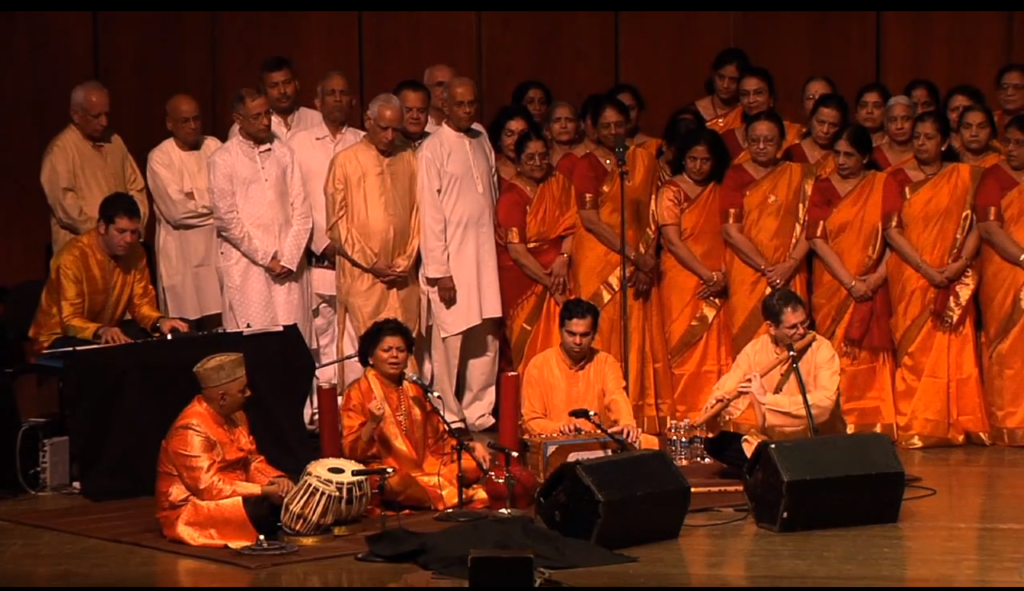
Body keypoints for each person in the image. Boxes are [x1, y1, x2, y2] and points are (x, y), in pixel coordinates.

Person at [416, 77, 503, 433]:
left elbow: (492, 193)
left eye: (472, 104)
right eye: (460, 104)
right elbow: (430, 213)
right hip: (452, 263)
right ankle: (448, 413)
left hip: (485, 259)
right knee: (450, 341)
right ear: (445, 107)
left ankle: (478, 409)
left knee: (486, 338)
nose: (468, 110)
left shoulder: (481, 139)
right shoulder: (432, 148)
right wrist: (440, 271)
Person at [340, 318, 491, 511]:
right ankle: (448, 496)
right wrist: (372, 423)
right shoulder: (357, 392)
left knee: (473, 462)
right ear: (370, 357)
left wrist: (468, 447)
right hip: (385, 468)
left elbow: (438, 439)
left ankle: (427, 495)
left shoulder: (414, 388)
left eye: (401, 350)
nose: (394, 356)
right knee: (393, 483)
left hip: (427, 464)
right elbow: (351, 451)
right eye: (387, 350)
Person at [325, 93, 420, 388]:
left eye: (396, 129)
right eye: (383, 128)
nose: (390, 136)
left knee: (404, 347)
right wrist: (371, 261)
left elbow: (419, 213)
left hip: (402, 276)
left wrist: (406, 259)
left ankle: (410, 416)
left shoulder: (409, 157)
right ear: (368, 121)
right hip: (363, 275)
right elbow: (336, 223)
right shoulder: (345, 161)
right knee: (366, 348)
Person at [156, 352, 296, 548]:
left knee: (293, 490)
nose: (249, 394)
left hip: (237, 492)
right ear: (222, 398)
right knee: (262, 508)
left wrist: (276, 481)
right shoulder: (191, 428)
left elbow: (251, 461)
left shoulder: (237, 416)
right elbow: (208, 488)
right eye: (243, 390)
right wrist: (264, 491)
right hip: (192, 507)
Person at [208, 88, 313, 344]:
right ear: (238, 118)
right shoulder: (222, 159)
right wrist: (267, 258)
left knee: (293, 342)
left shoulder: (283, 152)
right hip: (248, 268)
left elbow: (302, 209)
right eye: (256, 116)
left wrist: (288, 259)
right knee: (256, 344)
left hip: (289, 268)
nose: (265, 121)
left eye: (267, 113)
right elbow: (226, 220)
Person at [28, 192, 189, 355]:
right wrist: (102, 331)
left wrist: (159, 321)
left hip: (105, 333)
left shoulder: (135, 252)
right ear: (102, 227)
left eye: (134, 232)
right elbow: (70, 320)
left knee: (154, 343)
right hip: (59, 338)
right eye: (121, 231)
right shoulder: (72, 257)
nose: (129, 239)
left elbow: (142, 303)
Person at [702, 289, 843, 469]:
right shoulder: (754, 350)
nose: (801, 331)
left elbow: (825, 403)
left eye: (804, 323)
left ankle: (769, 471)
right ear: (771, 327)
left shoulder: (822, 349)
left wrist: (766, 399)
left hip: (814, 443)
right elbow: (728, 387)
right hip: (772, 444)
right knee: (715, 443)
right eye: (792, 327)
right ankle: (772, 468)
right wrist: (716, 409)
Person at [520, 298, 659, 450]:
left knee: (648, 443)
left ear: (594, 334)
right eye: (571, 334)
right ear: (560, 330)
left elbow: (616, 397)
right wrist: (560, 428)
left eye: (585, 335)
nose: (578, 341)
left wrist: (626, 423)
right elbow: (531, 420)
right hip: (556, 444)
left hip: (598, 445)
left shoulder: (606, 362)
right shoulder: (539, 365)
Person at [40, 80, 149, 254]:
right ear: (76, 115)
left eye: (107, 114)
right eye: (96, 116)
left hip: (122, 250)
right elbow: (66, 206)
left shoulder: (115, 142)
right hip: (82, 253)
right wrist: (104, 234)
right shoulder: (61, 150)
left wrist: (133, 225)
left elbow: (136, 187)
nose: (104, 122)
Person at [147, 94, 223, 331]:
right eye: (185, 121)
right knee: (186, 325)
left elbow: (232, 199)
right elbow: (177, 211)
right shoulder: (160, 158)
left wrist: (195, 197)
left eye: (196, 119)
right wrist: (216, 205)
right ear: (170, 123)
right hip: (181, 257)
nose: (193, 126)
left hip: (215, 251)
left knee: (220, 323)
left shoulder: (215, 146)